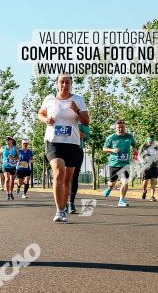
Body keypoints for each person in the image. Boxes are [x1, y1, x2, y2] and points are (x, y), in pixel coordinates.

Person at [38, 74, 90, 222]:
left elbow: (86, 122)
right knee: (59, 173)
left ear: (71, 84)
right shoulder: (49, 99)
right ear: (57, 84)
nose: (65, 85)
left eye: (68, 82)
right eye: (62, 82)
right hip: (53, 141)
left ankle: (65, 206)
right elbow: (40, 114)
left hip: (72, 143)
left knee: (67, 179)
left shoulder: (78, 100)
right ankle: (59, 211)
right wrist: (46, 119)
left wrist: (78, 111)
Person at [102, 120, 136, 207]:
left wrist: (135, 151)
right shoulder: (111, 137)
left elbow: (134, 144)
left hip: (125, 163)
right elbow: (104, 149)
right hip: (114, 163)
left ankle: (121, 200)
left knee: (125, 182)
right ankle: (109, 189)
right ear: (115, 128)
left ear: (125, 127)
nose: (121, 129)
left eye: (122, 127)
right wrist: (112, 150)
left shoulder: (129, 136)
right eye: (119, 128)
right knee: (111, 183)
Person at [68, 123, 90, 214]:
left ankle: (71, 203)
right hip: (62, 149)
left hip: (77, 149)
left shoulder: (82, 119)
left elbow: (86, 136)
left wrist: (73, 131)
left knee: (74, 177)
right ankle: (63, 201)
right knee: (62, 176)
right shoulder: (60, 115)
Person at [139, 135, 158, 201]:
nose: (150, 142)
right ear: (147, 140)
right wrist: (143, 161)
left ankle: (152, 196)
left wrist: (156, 161)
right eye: (149, 140)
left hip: (154, 166)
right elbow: (139, 155)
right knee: (145, 181)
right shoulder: (143, 146)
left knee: (153, 181)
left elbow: (157, 155)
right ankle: (144, 191)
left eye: (151, 141)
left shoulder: (155, 146)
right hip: (146, 166)